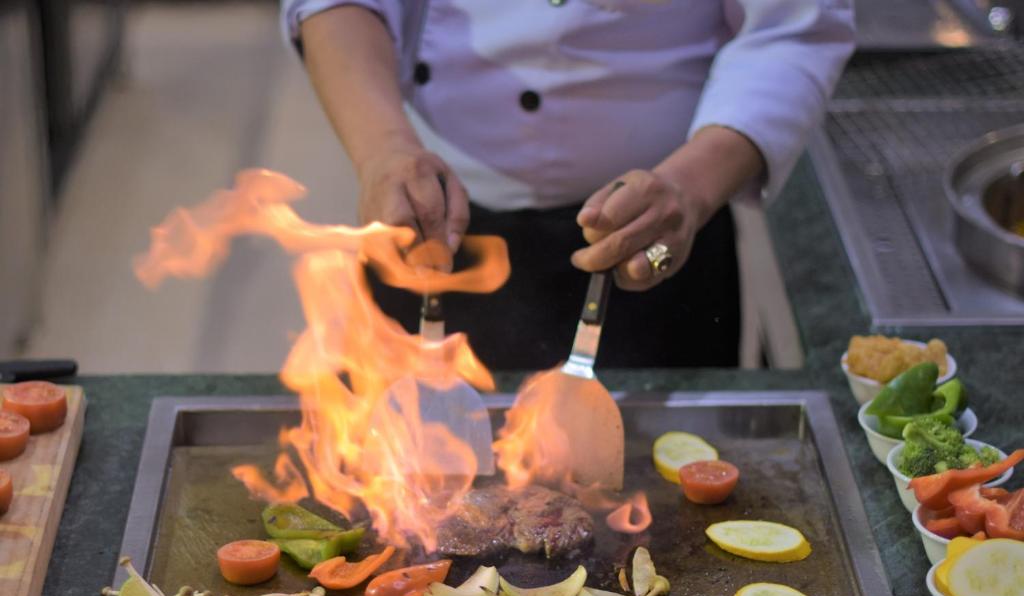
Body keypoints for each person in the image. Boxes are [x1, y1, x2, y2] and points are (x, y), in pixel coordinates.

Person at [281, 1, 855, 369]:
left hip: (656, 230)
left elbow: (793, 30)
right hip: (430, 215)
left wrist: (689, 187)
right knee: (406, 480)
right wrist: (384, 149)